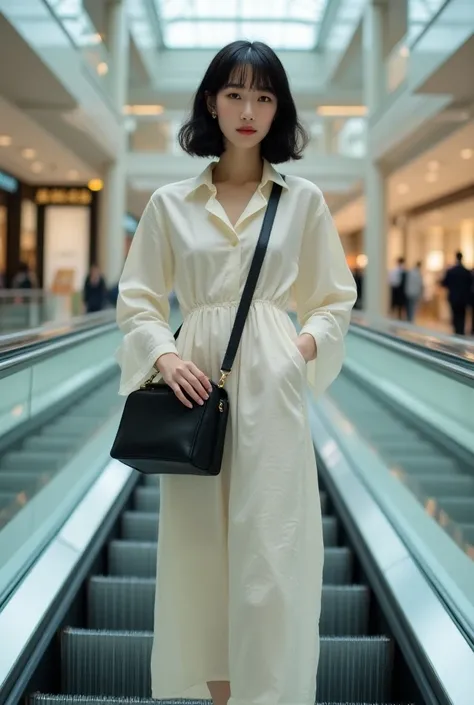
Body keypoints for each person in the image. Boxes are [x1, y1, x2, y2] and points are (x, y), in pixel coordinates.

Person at [115, 40, 357, 705]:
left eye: (264, 95)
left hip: (275, 392)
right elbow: (137, 300)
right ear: (210, 102)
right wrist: (163, 356)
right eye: (234, 93)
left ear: (279, 108)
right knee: (201, 559)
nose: (248, 109)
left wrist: (298, 349)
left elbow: (334, 299)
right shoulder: (171, 202)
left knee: (270, 558)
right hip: (196, 388)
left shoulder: (301, 200)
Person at [441, 251, 472, 336]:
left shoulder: (451, 271)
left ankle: (457, 332)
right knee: (462, 316)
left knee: (455, 316)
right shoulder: (466, 272)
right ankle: (460, 332)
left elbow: (444, 283)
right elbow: (470, 285)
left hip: (453, 297)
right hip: (464, 298)